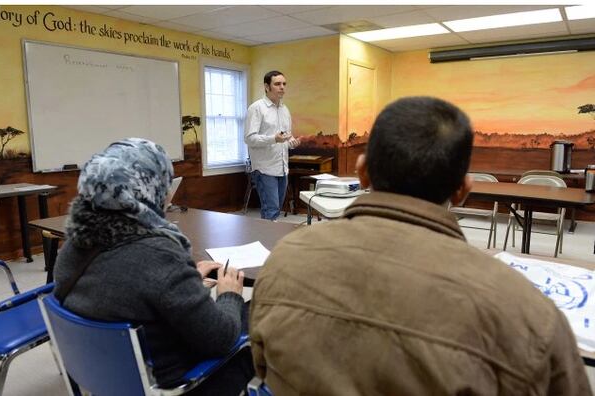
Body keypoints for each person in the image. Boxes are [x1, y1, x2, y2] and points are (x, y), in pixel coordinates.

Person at [249, 97, 591, 395]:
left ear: (362, 173)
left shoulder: (285, 259)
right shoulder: (530, 316)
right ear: (463, 190)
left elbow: (261, 368)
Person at [53, 138, 254, 395]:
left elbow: (131, 289)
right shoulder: (160, 257)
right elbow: (222, 339)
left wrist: (187, 282)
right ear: (147, 189)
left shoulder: (73, 245)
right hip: (177, 382)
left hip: (108, 377)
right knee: (263, 314)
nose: (169, 193)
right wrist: (229, 293)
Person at [245, 70, 299, 221]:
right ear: (266, 87)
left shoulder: (284, 109)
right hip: (264, 168)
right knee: (271, 210)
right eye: (277, 84)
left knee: (276, 210)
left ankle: (269, 239)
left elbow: (286, 135)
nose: (282, 87)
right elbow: (249, 138)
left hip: (282, 168)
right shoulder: (256, 108)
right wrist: (273, 139)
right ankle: (267, 243)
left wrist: (292, 141)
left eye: (284, 84)